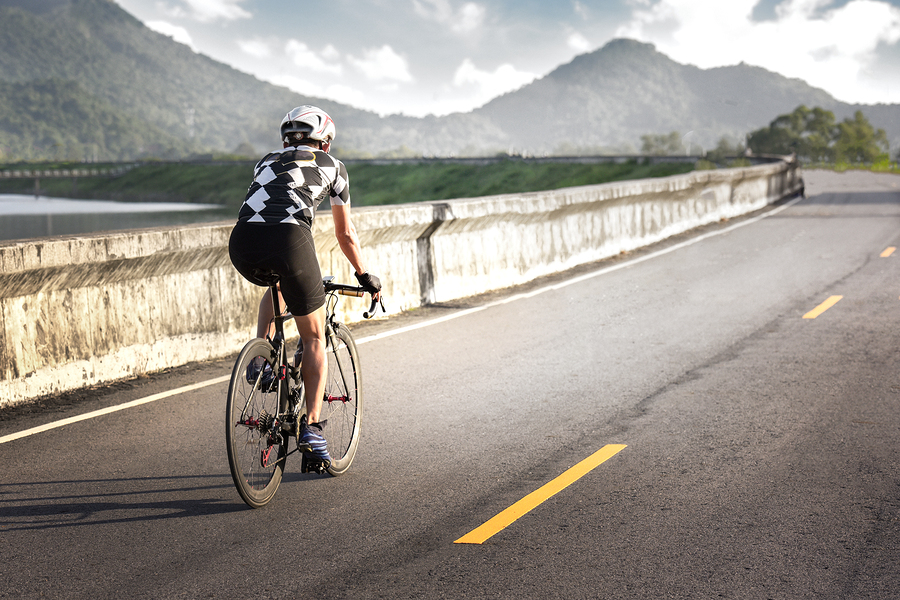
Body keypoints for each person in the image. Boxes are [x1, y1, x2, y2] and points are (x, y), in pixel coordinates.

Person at [228, 105, 382, 466]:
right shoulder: (334, 167)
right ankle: (311, 426)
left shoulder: (265, 161)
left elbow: (268, 202)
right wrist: (363, 275)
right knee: (313, 338)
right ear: (325, 142)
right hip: (288, 239)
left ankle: (261, 357)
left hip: (242, 243)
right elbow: (345, 234)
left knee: (276, 283)